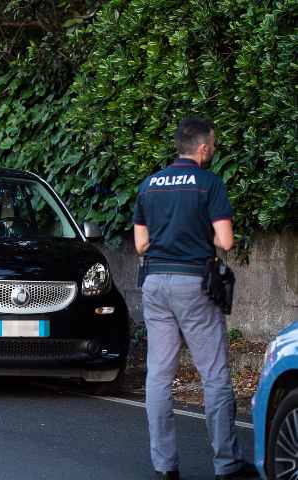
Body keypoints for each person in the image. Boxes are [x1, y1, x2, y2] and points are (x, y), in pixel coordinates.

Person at [133, 117, 257, 480]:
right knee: (215, 375)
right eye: (213, 145)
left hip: (155, 283)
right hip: (194, 285)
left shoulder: (149, 184)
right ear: (203, 149)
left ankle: (164, 466)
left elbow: (140, 244)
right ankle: (227, 463)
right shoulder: (208, 184)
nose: (214, 150)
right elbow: (226, 240)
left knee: (158, 375)